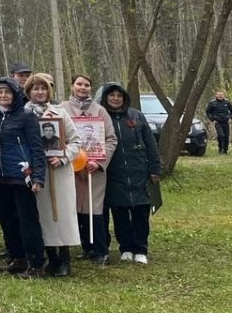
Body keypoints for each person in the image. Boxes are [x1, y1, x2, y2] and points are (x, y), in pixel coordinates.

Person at [0, 77, 47, 279]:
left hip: (22, 175)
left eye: (7, 92)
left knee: (27, 220)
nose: (3, 96)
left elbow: (37, 148)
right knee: (7, 219)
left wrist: (38, 176)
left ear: (15, 94)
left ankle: (36, 261)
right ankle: (17, 257)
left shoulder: (26, 116)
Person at [22, 74, 80, 276]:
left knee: (61, 212)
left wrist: (63, 158)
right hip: (35, 172)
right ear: (29, 92)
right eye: (35, 89)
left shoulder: (60, 113)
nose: (40, 92)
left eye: (43, 88)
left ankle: (64, 258)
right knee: (42, 213)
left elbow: (76, 141)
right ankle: (50, 256)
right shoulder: (23, 114)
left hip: (58, 171)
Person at [101, 82, 162, 265]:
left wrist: (155, 168)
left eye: (119, 95)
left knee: (141, 213)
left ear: (124, 98)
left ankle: (141, 248)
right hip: (114, 174)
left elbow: (151, 144)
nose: (115, 99)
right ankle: (126, 247)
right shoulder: (102, 118)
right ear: (106, 98)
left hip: (139, 172)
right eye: (111, 95)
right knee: (120, 214)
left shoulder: (136, 116)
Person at [60, 74, 117, 265]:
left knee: (95, 209)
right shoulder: (62, 109)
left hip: (94, 168)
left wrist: (99, 162)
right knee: (75, 208)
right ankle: (86, 247)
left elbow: (111, 139)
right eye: (79, 84)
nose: (83, 88)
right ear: (72, 86)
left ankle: (101, 250)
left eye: (87, 85)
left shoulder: (99, 111)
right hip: (70, 168)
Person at [205, 90, 232, 155]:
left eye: (221, 95)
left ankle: (225, 150)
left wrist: (230, 118)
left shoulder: (227, 102)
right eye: (219, 95)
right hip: (217, 122)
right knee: (221, 135)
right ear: (216, 95)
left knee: (226, 136)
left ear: (224, 95)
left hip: (226, 121)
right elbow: (208, 112)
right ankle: (220, 149)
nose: (220, 96)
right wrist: (212, 119)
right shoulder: (212, 103)